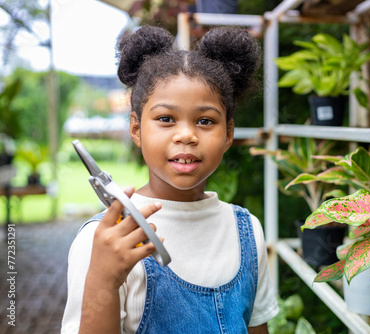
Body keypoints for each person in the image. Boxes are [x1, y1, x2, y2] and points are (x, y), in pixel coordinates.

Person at [61, 25, 279, 333]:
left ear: (229, 133)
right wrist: (104, 280)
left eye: (205, 121)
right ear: (136, 129)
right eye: (166, 119)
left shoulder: (247, 231)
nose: (187, 135)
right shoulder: (104, 240)